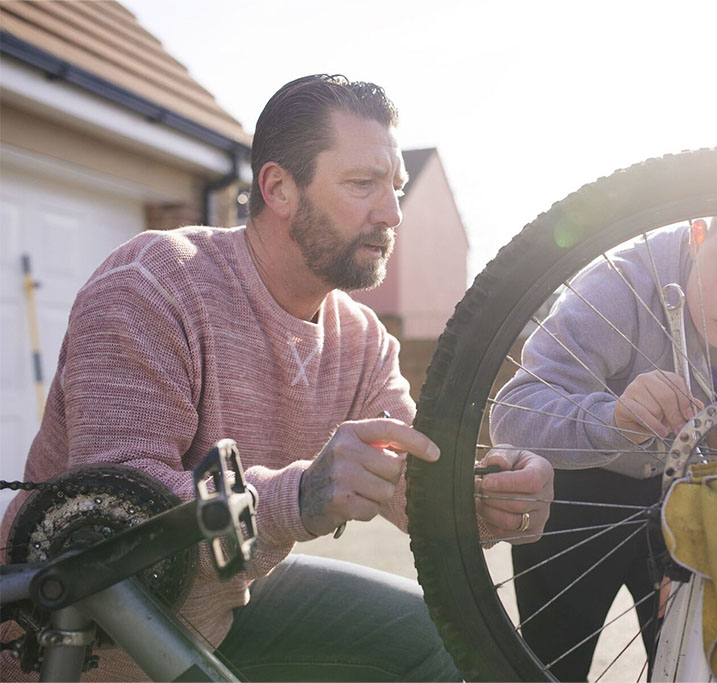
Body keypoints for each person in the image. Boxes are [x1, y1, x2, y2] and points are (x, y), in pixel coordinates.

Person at [0, 74, 554, 682]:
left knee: (444, 644)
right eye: (362, 184)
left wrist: (486, 503)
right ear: (279, 188)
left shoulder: (361, 339)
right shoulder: (150, 286)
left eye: (394, 187)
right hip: (88, 645)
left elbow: (412, 481)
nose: (392, 211)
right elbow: (120, 517)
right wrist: (301, 495)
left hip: (227, 608)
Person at [489, 215, 717, 680]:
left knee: (694, 667)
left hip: (697, 499)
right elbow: (513, 415)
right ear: (699, 237)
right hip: (577, 488)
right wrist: (611, 419)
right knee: (548, 665)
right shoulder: (619, 284)